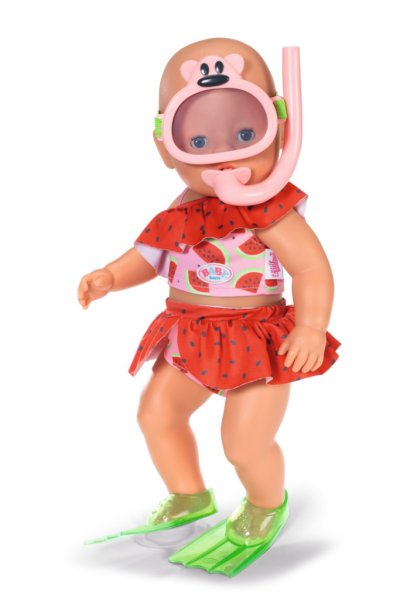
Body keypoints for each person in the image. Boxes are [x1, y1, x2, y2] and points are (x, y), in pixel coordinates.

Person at [78, 37, 341, 577]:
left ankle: (266, 503)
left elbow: (312, 269)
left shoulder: (270, 210)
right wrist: (110, 275)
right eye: (198, 140)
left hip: (256, 338)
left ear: (281, 128)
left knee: (244, 443)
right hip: (190, 334)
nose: (226, 157)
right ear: (166, 147)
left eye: (246, 134)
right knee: (157, 413)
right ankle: (189, 494)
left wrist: (311, 326)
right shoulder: (183, 208)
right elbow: (149, 256)